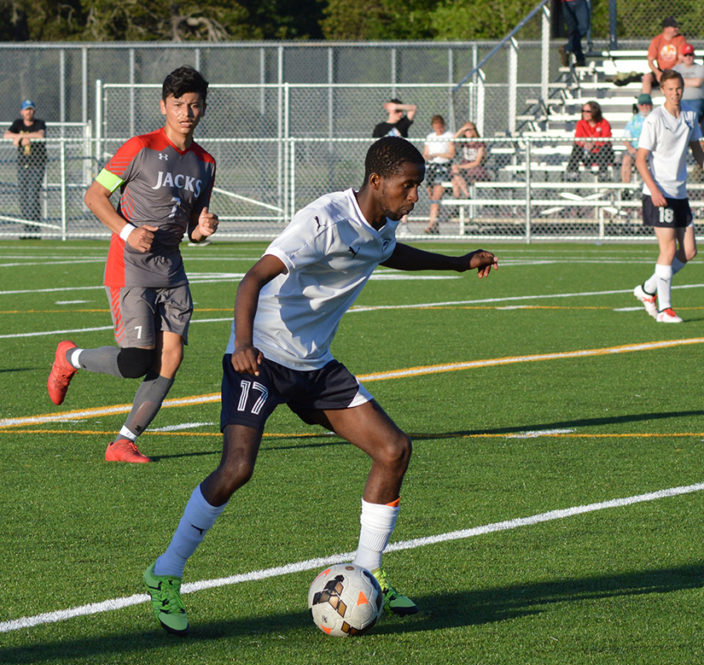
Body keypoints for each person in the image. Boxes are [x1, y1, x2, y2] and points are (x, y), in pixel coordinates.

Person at [141, 135, 498, 636]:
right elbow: (252, 279)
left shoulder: (385, 220)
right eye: (408, 185)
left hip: (315, 365)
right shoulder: (322, 219)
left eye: (418, 186)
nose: (415, 196)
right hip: (261, 356)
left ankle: (369, 575)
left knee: (393, 449)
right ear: (377, 181)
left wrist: (458, 262)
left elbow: (388, 252)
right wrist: (242, 343)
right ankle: (166, 571)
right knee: (238, 467)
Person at [46, 66, 218, 464]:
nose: (186, 112)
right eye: (178, 104)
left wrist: (203, 228)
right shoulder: (139, 147)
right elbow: (94, 196)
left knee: (171, 356)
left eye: (194, 105)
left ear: (203, 108)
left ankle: (123, 441)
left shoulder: (205, 162)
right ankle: (69, 357)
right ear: (164, 106)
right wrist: (126, 232)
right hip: (130, 267)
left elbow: (193, 226)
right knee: (136, 361)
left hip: (172, 270)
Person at [632, 70, 704, 324]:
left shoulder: (689, 116)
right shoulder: (654, 119)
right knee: (668, 249)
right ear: (662, 90)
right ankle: (665, 309)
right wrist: (654, 190)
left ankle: (647, 289)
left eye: (678, 88)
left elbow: (698, 152)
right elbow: (640, 160)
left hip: (679, 193)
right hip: (659, 192)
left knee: (689, 251)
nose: (675, 93)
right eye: (670, 89)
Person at [5, 99, 46, 238]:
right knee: (23, 197)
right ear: (22, 112)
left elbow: (40, 134)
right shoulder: (18, 123)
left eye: (31, 109)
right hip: (23, 165)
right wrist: (22, 137)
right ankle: (26, 228)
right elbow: (6, 135)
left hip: (37, 165)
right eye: (26, 109)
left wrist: (24, 137)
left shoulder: (39, 123)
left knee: (33, 196)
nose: (29, 112)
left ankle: (34, 228)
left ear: (34, 111)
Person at [565, 100, 613, 181]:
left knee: (604, 148)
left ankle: (603, 173)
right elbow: (578, 138)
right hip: (587, 153)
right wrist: (585, 144)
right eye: (583, 111)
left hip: (601, 154)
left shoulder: (604, 123)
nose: (584, 113)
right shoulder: (580, 123)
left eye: (587, 111)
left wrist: (593, 143)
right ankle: (572, 172)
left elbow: (605, 139)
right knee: (576, 147)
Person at [422, 114, 454, 234]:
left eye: (440, 127)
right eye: (436, 127)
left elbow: (451, 154)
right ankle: (435, 226)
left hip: (443, 168)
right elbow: (425, 153)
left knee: (436, 197)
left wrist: (436, 155)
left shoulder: (449, 136)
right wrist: (428, 156)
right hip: (431, 168)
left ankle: (431, 225)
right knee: (432, 198)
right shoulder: (430, 137)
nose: (438, 130)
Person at [642, 16, 690, 95]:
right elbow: (650, 61)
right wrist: (658, 73)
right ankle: (645, 103)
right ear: (666, 28)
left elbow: (680, 59)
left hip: (675, 70)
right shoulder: (657, 40)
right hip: (661, 70)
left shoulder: (680, 39)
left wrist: (672, 72)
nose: (677, 29)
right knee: (647, 77)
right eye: (674, 27)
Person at [621, 93, 654, 190]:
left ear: (651, 105)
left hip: (650, 150)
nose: (645, 107)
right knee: (626, 159)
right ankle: (626, 188)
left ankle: (651, 187)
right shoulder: (633, 119)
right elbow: (626, 138)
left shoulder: (655, 118)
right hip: (635, 149)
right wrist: (630, 149)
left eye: (647, 104)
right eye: (642, 104)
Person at [450, 121, 489, 200]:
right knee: (455, 180)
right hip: (464, 168)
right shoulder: (464, 142)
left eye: (471, 129)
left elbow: (477, 162)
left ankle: (460, 202)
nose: (469, 131)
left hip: (475, 168)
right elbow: (451, 142)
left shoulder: (479, 143)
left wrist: (460, 166)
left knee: (455, 177)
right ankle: (466, 196)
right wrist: (461, 130)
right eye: (467, 130)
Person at [674, 43, 704, 117]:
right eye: (685, 55)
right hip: (679, 100)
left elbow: (697, 83)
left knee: (692, 117)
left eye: (690, 55)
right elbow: (673, 83)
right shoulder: (676, 69)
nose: (688, 57)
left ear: (694, 55)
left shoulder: (701, 67)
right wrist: (691, 81)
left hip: (696, 101)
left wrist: (681, 82)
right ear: (682, 57)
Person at [559, 0, 590, 68]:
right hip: (566, 3)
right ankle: (579, 59)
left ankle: (567, 48)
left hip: (580, 2)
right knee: (573, 30)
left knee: (583, 28)